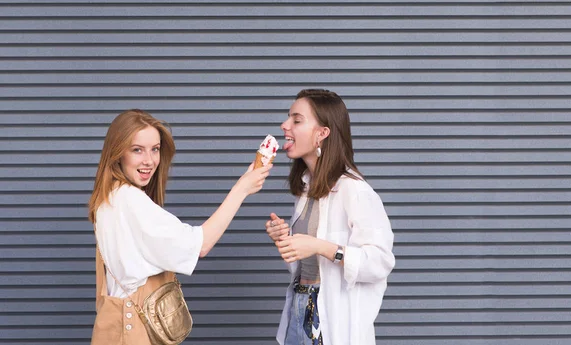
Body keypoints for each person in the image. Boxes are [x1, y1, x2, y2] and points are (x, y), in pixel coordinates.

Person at [88, 109, 272, 344]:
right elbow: (201, 244)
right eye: (137, 150)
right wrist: (240, 190)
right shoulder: (129, 200)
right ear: (117, 153)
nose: (149, 160)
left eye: (155, 149)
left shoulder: (109, 198)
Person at [265, 89, 395, 345]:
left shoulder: (354, 190)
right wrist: (286, 239)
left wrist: (320, 246)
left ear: (322, 133)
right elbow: (307, 267)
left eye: (297, 120)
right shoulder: (306, 188)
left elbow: (380, 262)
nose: (285, 125)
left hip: (330, 320)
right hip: (299, 309)